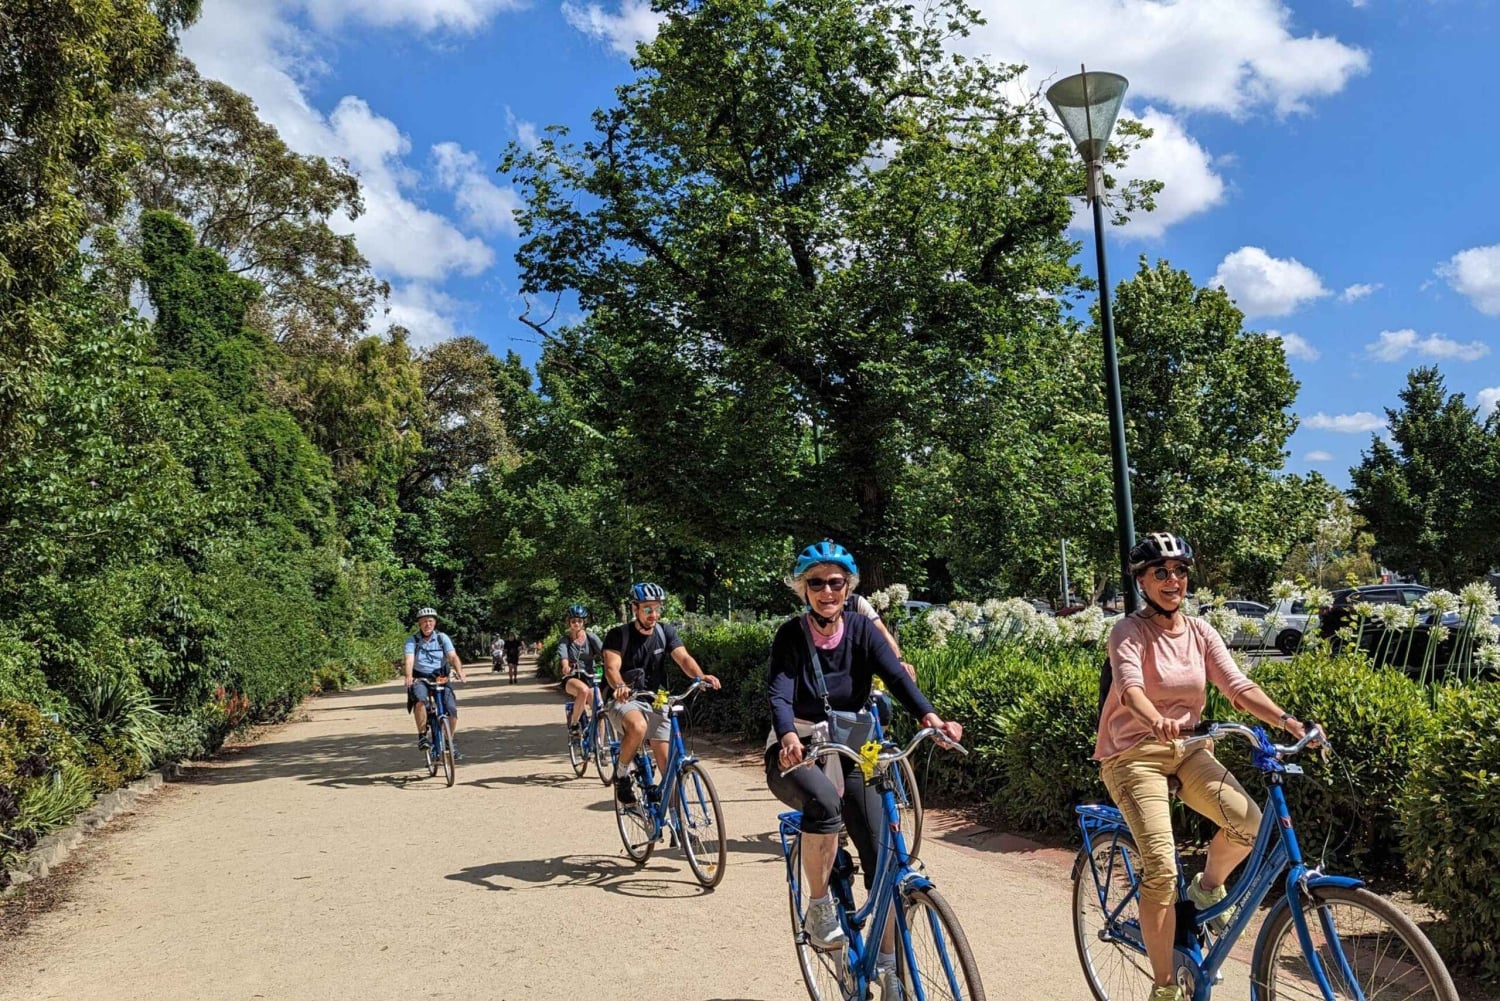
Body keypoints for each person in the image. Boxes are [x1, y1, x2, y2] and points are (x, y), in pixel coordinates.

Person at [1094, 532, 1320, 1001]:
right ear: (1142, 581)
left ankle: (1206, 890)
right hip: (1134, 753)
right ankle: (1163, 987)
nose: (1172, 580)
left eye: (1179, 571)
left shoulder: (1199, 631)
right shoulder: (1128, 631)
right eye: (1161, 572)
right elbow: (1130, 687)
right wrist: (1155, 720)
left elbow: (1237, 685)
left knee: (1250, 825)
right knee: (1159, 868)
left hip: (1191, 749)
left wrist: (1287, 722)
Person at [766, 541, 963, 1001]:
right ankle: (818, 906)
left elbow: (896, 676)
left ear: (848, 587)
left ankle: (890, 967)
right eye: (816, 582)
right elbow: (779, 692)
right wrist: (788, 737)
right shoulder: (790, 636)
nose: (827, 591)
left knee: (885, 863)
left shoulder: (861, 629)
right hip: (799, 749)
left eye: (836, 582)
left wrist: (930, 718)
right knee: (824, 804)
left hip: (856, 747)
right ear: (804, 590)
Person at [602, 582, 720, 805]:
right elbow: (611, 668)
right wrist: (619, 686)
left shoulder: (665, 632)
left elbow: (683, 658)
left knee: (669, 772)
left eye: (657, 608)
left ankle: (681, 830)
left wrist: (700, 677)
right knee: (638, 727)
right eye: (647, 609)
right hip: (626, 699)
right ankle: (622, 774)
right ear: (635, 608)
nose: (653, 614)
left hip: (657, 699)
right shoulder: (618, 635)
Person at [403, 607, 467, 750]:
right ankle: (422, 736)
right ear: (419, 624)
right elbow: (409, 660)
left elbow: (452, 656)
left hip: (441, 677)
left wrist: (459, 671)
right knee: (419, 700)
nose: (427, 624)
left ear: (435, 623)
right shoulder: (412, 641)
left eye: (430, 621)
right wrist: (408, 675)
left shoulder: (441, 638)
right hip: (421, 678)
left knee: (451, 710)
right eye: (424, 622)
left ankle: (448, 741)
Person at [558, 604, 604, 733]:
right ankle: (574, 723)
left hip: (590, 676)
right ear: (569, 622)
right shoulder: (565, 640)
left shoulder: (591, 637)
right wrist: (566, 666)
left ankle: (599, 748)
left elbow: (604, 652)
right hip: (573, 677)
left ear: (584, 622)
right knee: (582, 690)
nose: (576, 624)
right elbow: (564, 657)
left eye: (579, 621)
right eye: (573, 621)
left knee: (600, 710)